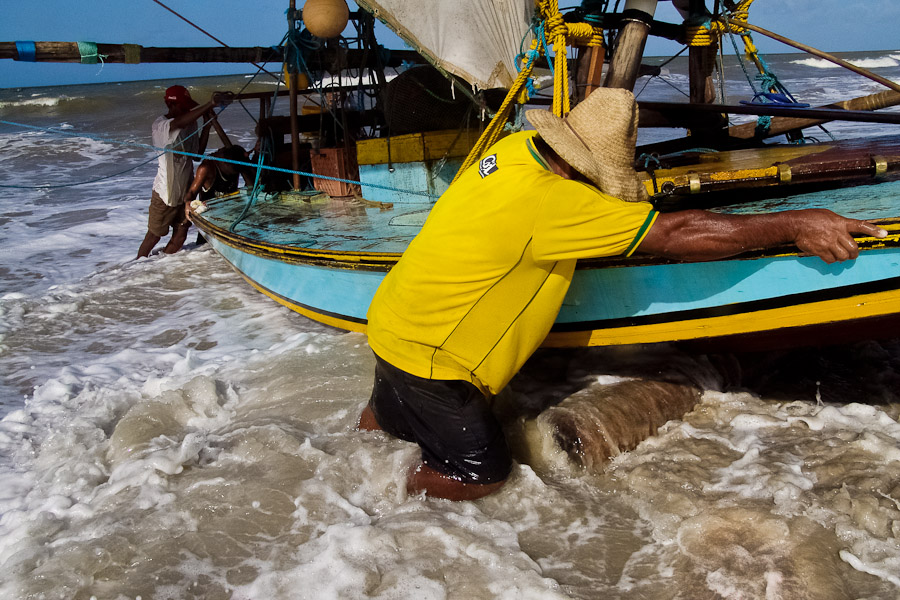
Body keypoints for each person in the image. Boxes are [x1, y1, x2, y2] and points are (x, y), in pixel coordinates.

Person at [358, 87, 887, 501]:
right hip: (438, 362)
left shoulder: (512, 151)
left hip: (391, 321)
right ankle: (373, 508)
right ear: (576, 168)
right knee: (480, 477)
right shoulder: (558, 203)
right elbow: (678, 235)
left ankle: (347, 467)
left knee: (387, 423)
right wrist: (796, 222)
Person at [137, 85, 231, 258]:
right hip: (165, 192)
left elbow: (197, 155)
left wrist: (206, 126)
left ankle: (159, 265)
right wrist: (210, 104)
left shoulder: (189, 124)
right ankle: (135, 268)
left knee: (181, 234)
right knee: (154, 235)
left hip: (186, 189)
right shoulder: (161, 125)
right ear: (171, 105)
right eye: (184, 105)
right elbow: (178, 123)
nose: (187, 109)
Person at [182, 145, 252, 244]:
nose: (235, 173)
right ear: (224, 162)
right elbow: (192, 192)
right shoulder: (206, 168)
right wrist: (188, 203)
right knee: (204, 248)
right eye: (234, 170)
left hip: (232, 214)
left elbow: (251, 186)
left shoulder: (237, 162)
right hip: (210, 218)